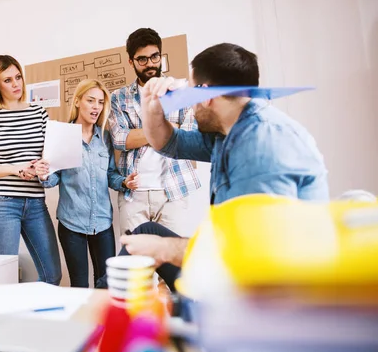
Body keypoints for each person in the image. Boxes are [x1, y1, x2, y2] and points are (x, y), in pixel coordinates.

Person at [98, 42, 329, 290]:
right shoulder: (226, 131)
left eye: (192, 95)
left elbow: (250, 255)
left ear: (206, 96)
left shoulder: (262, 144)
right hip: (235, 269)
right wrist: (151, 105)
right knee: (147, 232)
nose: (191, 107)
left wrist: (164, 249)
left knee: (153, 244)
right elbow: (167, 142)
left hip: (264, 291)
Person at [34, 79, 138, 288]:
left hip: (102, 223)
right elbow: (54, 178)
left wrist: (124, 182)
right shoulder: (61, 136)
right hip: (72, 224)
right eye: (91, 101)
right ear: (78, 101)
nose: (96, 107)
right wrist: (44, 175)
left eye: (100, 102)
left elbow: (110, 175)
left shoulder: (105, 138)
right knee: (79, 284)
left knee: (106, 283)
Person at [0, 55, 61, 285]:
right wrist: (14, 169)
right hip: (2, 205)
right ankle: (5, 320)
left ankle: (34, 317)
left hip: (35, 203)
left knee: (52, 275)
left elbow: (47, 157)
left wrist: (41, 167)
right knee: (3, 279)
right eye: (8, 80)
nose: (16, 84)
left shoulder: (39, 113)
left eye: (18, 77)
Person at [108, 28, 201, 235]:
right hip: (133, 194)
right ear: (131, 61)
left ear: (161, 55)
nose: (150, 63)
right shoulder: (118, 97)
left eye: (154, 56)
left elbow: (187, 139)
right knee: (134, 263)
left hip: (173, 191)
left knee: (172, 263)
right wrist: (166, 130)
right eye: (142, 59)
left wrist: (140, 134)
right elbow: (120, 139)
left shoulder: (181, 92)